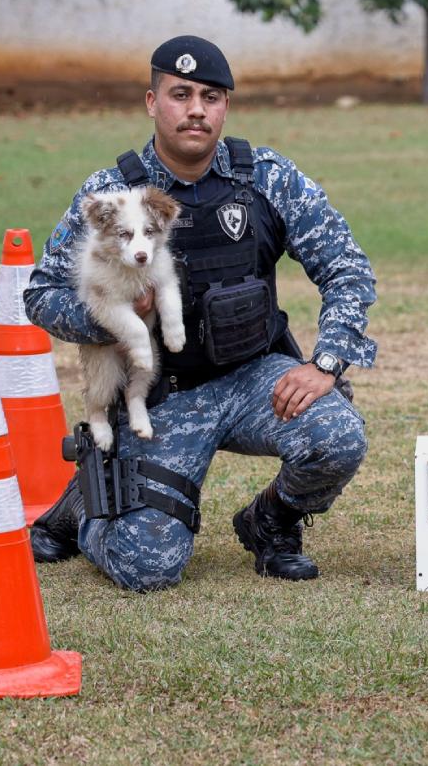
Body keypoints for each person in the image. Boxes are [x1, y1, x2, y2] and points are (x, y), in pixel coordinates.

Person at [25, 35, 376, 592]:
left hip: (254, 377)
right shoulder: (111, 194)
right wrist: (114, 316)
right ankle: (83, 508)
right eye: (180, 94)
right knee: (148, 569)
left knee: (338, 437)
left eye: (210, 97)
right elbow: (41, 295)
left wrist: (326, 362)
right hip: (161, 395)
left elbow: (348, 269)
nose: (195, 109)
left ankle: (272, 523)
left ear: (225, 107)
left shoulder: (266, 177)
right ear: (151, 102)